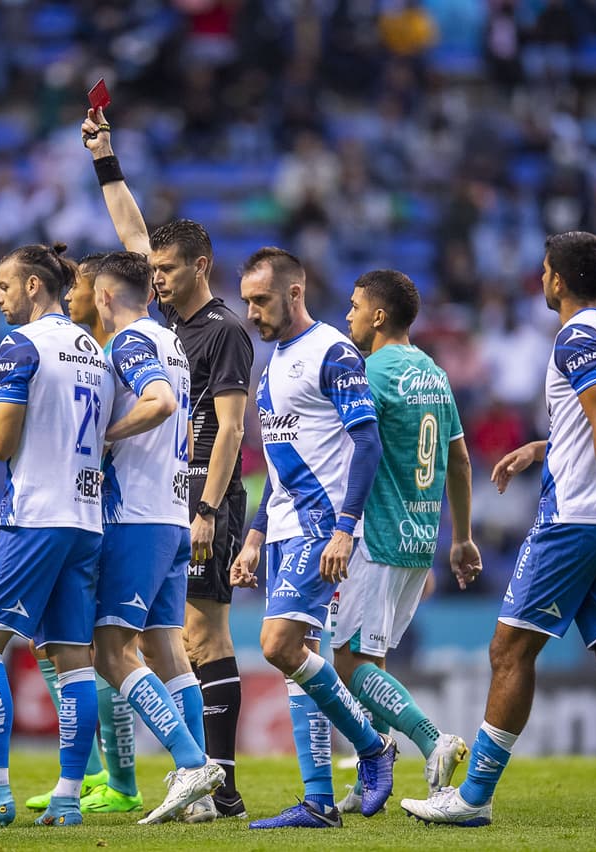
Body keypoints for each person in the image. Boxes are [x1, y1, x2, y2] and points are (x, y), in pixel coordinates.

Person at [402, 232, 596, 829]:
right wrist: (545, 448)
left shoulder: (576, 336)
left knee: (509, 650)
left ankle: (473, 798)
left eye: (545, 270)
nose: (541, 278)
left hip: (579, 518)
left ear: (558, 279)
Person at [83, 109, 254, 818]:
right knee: (176, 635)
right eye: (149, 271)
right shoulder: (162, 325)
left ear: (200, 268)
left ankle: (222, 777)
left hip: (204, 497)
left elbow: (235, 426)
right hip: (164, 497)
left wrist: (209, 507)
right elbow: (130, 234)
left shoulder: (225, 334)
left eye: (165, 269)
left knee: (205, 631)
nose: (152, 278)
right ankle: (205, 783)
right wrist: (104, 159)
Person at [0, 244, 117, 828]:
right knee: (74, 662)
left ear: (35, 286)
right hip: (86, 520)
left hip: (33, 517)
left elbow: (2, 447)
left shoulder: (20, 345)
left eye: (5, 286)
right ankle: (65, 797)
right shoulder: (94, 348)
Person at [229, 248, 397, 830]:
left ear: (294, 293)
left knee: (277, 644)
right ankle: (320, 801)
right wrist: (253, 536)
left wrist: (345, 528)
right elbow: (278, 466)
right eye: (247, 300)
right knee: (299, 661)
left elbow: (367, 443)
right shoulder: (271, 365)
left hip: (321, 527)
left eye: (261, 300)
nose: (251, 311)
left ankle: (374, 749)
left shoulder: (333, 350)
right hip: (281, 526)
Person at [330, 270, 481, 813]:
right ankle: (373, 774)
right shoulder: (436, 375)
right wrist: (460, 538)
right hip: (421, 538)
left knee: (345, 660)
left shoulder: (370, 372)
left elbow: (356, 450)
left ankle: (430, 739)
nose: (346, 315)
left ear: (378, 315)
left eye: (354, 306)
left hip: (378, 534)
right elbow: (460, 461)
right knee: (373, 662)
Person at [89, 250, 225, 825]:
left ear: (103, 297)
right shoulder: (171, 339)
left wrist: (104, 437)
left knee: (111, 650)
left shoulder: (128, 343)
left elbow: (160, 402)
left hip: (137, 515)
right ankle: (203, 797)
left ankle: (191, 762)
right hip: (172, 512)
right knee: (168, 650)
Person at [23, 251, 130, 815]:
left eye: (79, 288)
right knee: (61, 647)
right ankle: (86, 776)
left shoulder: (108, 351)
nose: (71, 297)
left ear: (102, 293)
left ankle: (113, 777)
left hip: (85, 512)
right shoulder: (92, 352)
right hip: (88, 510)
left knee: (95, 652)